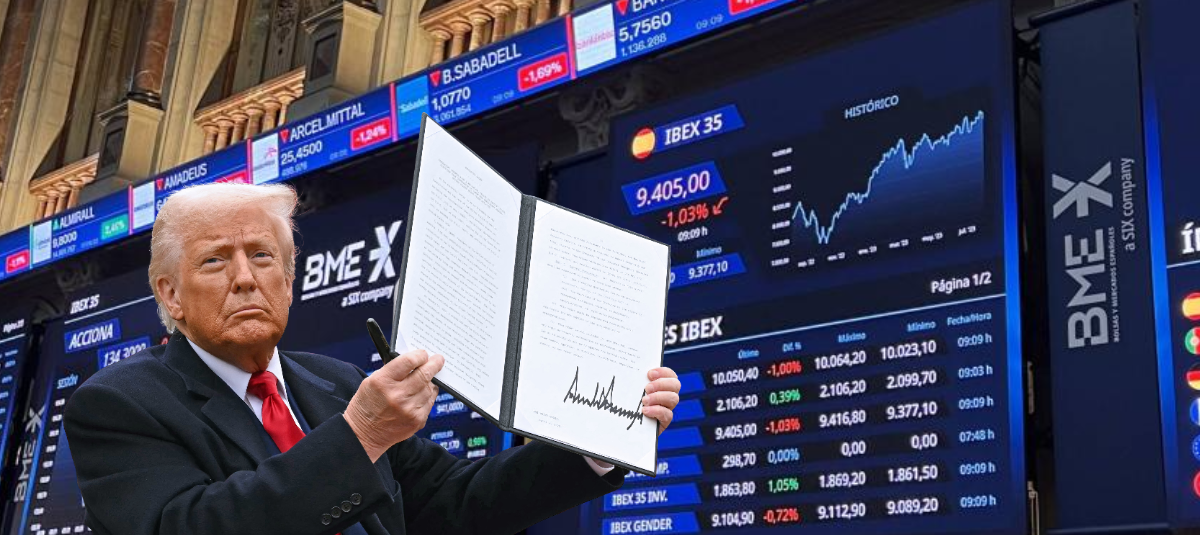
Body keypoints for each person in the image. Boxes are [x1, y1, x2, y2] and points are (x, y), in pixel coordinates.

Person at [63, 183, 681, 535]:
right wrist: (359, 436)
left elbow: (454, 503)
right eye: (215, 261)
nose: (246, 278)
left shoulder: (334, 382)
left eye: (263, 255)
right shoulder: (118, 404)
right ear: (170, 294)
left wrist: (597, 442)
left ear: (290, 281)